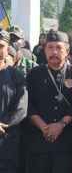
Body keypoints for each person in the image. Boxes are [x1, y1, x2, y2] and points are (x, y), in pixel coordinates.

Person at [26, 29, 72, 173]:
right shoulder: (34, 74)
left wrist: (61, 124)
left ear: (67, 50)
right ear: (44, 50)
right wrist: (44, 127)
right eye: (50, 47)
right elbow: (28, 104)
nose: (54, 52)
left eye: (59, 47)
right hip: (40, 140)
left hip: (66, 141)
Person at [0, 30, 28, 173]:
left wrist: (3, 125)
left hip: (7, 139)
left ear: (7, 49)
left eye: (1, 46)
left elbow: (21, 108)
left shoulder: (17, 76)